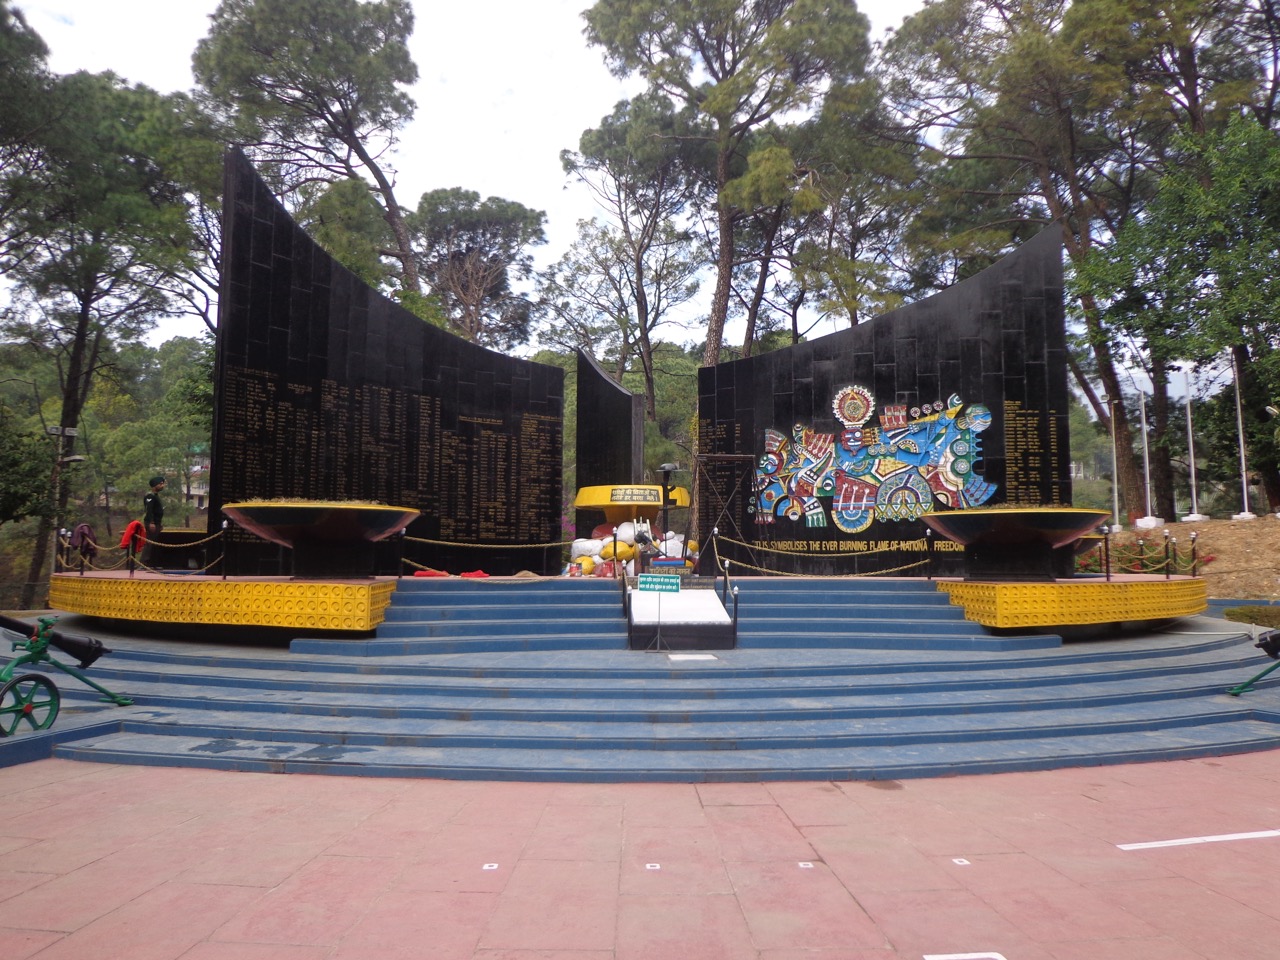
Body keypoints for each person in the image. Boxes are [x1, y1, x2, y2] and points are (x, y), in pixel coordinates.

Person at [142, 475, 165, 565]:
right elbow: (149, 510)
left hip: (157, 523)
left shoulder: (156, 496)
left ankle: (152, 563)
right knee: (149, 544)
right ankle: (144, 563)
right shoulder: (150, 496)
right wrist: (151, 523)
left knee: (154, 544)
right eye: (160, 484)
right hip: (152, 523)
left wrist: (159, 524)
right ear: (155, 485)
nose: (162, 485)